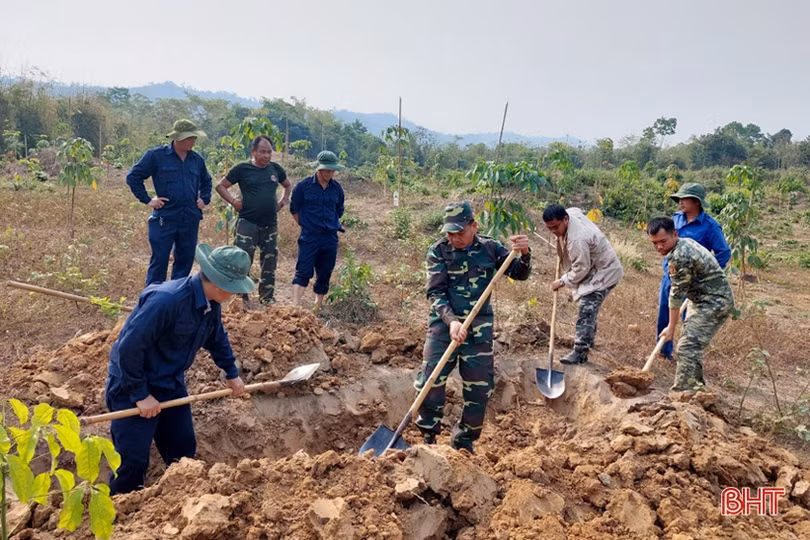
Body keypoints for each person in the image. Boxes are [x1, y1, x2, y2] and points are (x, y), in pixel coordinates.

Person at [104, 244, 253, 495]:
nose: (234, 295)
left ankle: (180, 502)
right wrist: (140, 394)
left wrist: (231, 373)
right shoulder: (167, 301)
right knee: (132, 463)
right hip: (132, 384)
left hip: (170, 382)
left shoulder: (210, 304)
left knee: (183, 450)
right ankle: (122, 508)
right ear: (220, 284)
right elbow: (128, 349)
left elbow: (217, 338)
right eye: (234, 289)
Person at [415, 201, 531, 453]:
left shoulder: (490, 248)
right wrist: (452, 321)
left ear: (474, 226)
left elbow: (519, 273)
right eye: (450, 233)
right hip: (443, 328)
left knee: (479, 389)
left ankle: (464, 442)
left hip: (478, 331)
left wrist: (524, 254)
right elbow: (435, 293)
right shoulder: (438, 251)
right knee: (430, 382)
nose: (454, 238)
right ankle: (428, 439)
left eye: (459, 232)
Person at [647, 217, 733, 391]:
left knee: (687, 347)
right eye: (654, 243)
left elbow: (676, 295)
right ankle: (696, 390)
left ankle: (682, 394)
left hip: (714, 302)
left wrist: (671, 327)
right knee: (691, 346)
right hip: (700, 299)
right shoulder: (682, 244)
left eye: (663, 241)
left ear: (675, 234)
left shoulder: (680, 256)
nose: (659, 247)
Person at [126, 119, 213, 286]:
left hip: (190, 217)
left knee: (185, 259)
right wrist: (148, 200)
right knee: (160, 258)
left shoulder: (196, 160)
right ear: (178, 137)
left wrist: (204, 198)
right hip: (164, 217)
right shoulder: (156, 156)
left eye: (194, 138)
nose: (193, 141)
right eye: (190, 138)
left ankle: (176, 294)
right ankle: (153, 295)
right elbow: (133, 177)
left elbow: (206, 181)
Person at [215, 135, 292, 307]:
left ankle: (267, 298)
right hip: (247, 223)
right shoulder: (242, 169)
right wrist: (233, 202)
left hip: (270, 224)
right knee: (242, 261)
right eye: (262, 152)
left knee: (269, 261)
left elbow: (287, 185)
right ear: (253, 151)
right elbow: (220, 186)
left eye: (269, 152)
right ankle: (240, 298)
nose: (266, 156)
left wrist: (283, 201)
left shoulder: (275, 169)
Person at [656, 183, 730, 360]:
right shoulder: (675, 220)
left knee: (688, 319)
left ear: (696, 202)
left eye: (685, 199)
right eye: (679, 199)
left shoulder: (710, 226)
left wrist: (705, 276)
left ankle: (685, 355)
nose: (680, 202)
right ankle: (663, 351)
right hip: (670, 275)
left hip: (692, 282)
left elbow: (723, 252)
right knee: (666, 310)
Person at [543, 204, 623, 365]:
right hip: (594, 265)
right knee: (589, 308)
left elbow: (581, 269)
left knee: (586, 309)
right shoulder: (571, 213)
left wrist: (562, 281)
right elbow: (576, 209)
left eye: (556, 227)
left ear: (566, 219)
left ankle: (580, 352)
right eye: (549, 228)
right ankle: (588, 339)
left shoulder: (577, 240)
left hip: (604, 272)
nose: (553, 231)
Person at [289, 151, 345, 309]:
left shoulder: (337, 189)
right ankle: (295, 306)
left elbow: (339, 210)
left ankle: (317, 306)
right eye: (326, 170)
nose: (329, 173)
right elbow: (294, 209)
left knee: (325, 272)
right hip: (310, 236)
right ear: (318, 168)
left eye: (332, 170)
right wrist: (306, 225)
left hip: (330, 237)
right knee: (303, 270)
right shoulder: (303, 186)